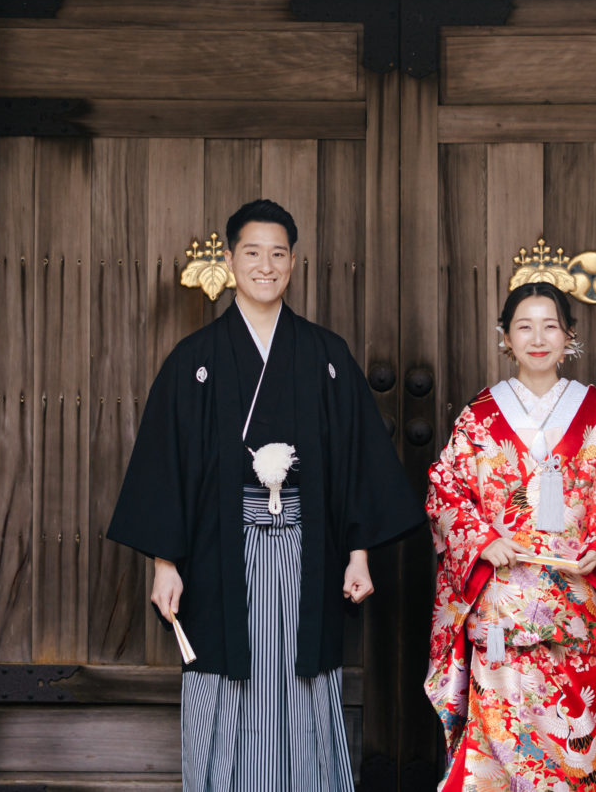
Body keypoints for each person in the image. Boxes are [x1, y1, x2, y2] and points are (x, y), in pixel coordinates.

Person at [107, 198, 423, 792]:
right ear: (231, 261)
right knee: (226, 679)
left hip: (307, 551)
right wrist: (165, 564)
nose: (266, 265)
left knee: (303, 681)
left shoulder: (326, 355)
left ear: (294, 263)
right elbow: (166, 463)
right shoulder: (194, 360)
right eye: (252, 253)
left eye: (278, 254)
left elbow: (357, 457)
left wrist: (358, 554)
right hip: (220, 553)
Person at [423, 281, 596, 792]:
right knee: (500, 747)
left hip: (576, 606)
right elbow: (446, 489)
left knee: (577, 731)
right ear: (506, 337)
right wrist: (482, 540)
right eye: (525, 326)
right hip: (503, 607)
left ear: (569, 335)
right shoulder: (480, 416)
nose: (538, 337)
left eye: (551, 325)